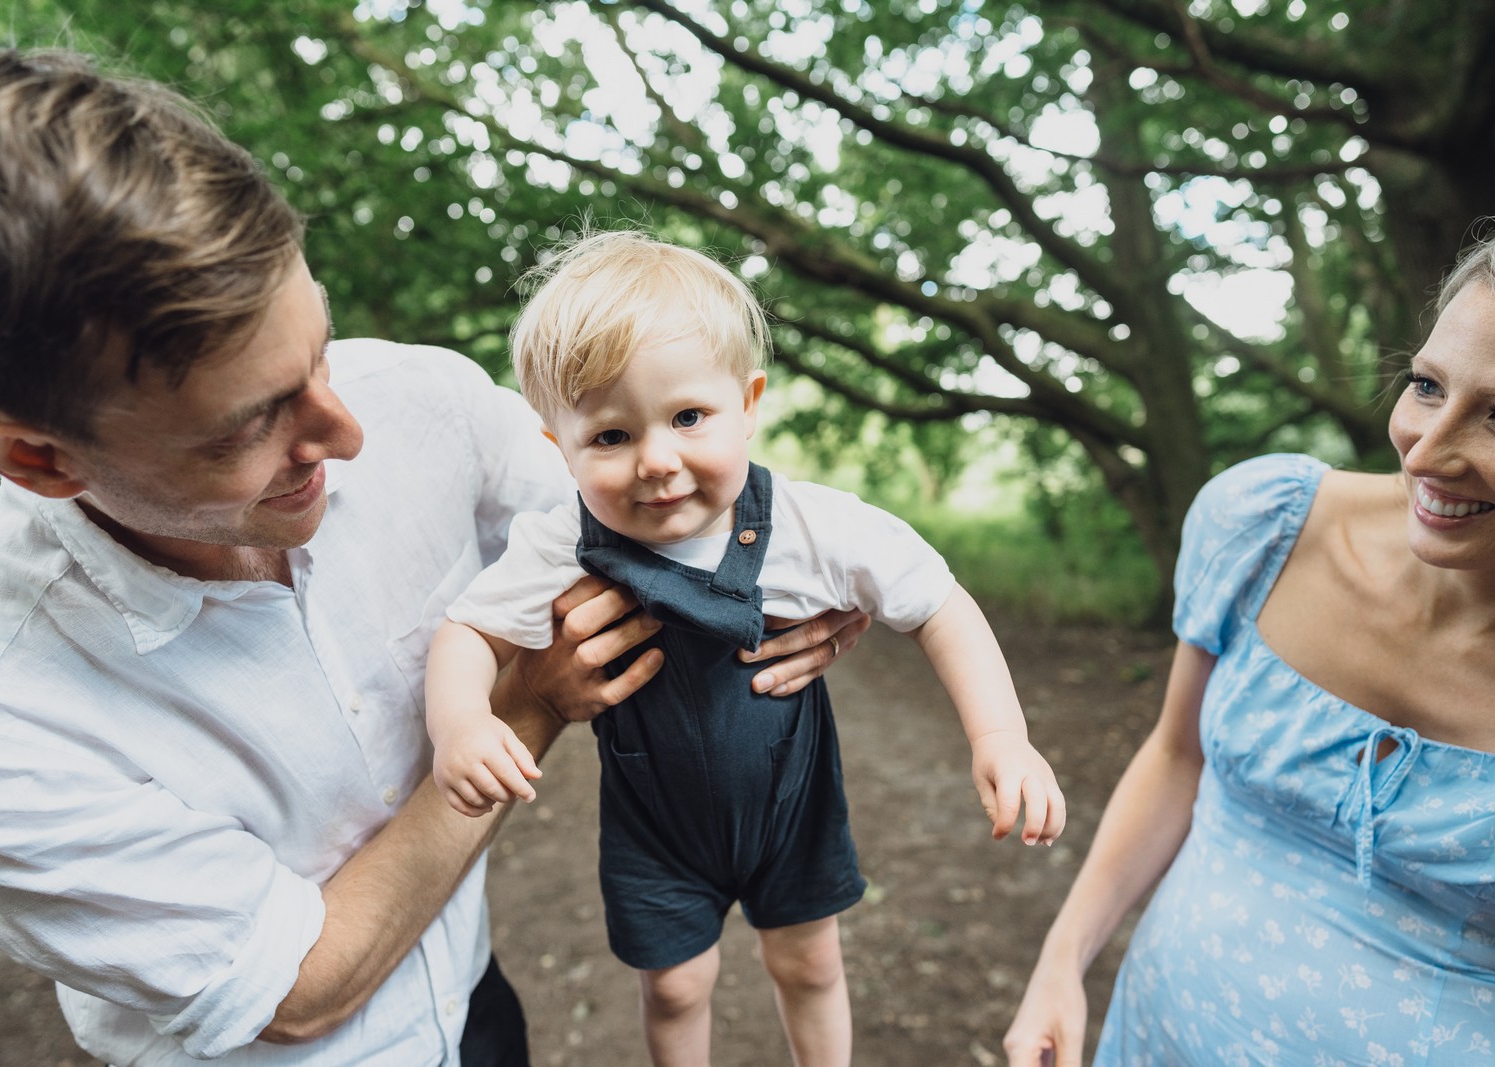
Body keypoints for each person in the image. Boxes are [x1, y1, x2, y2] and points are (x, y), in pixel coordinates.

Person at [0, 47, 865, 1066]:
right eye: (251, 423)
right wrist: (530, 703)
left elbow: (662, 525)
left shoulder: (418, 401)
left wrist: (820, 586)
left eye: (317, 350)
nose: (348, 432)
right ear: (39, 460)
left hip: (477, 1003)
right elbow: (304, 987)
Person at [423, 230, 1067, 1067]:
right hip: (656, 827)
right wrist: (461, 722)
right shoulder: (561, 543)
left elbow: (937, 600)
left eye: (689, 417)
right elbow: (467, 630)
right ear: (559, 446)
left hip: (791, 812)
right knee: (676, 985)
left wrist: (1001, 737)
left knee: (808, 960)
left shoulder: (808, 526)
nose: (657, 460)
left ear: (749, 402)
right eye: (610, 437)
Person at [1003, 227, 1495, 1067]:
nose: (1429, 447)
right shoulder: (1267, 525)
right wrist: (1062, 962)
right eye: (1425, 386)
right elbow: (1175, 755)